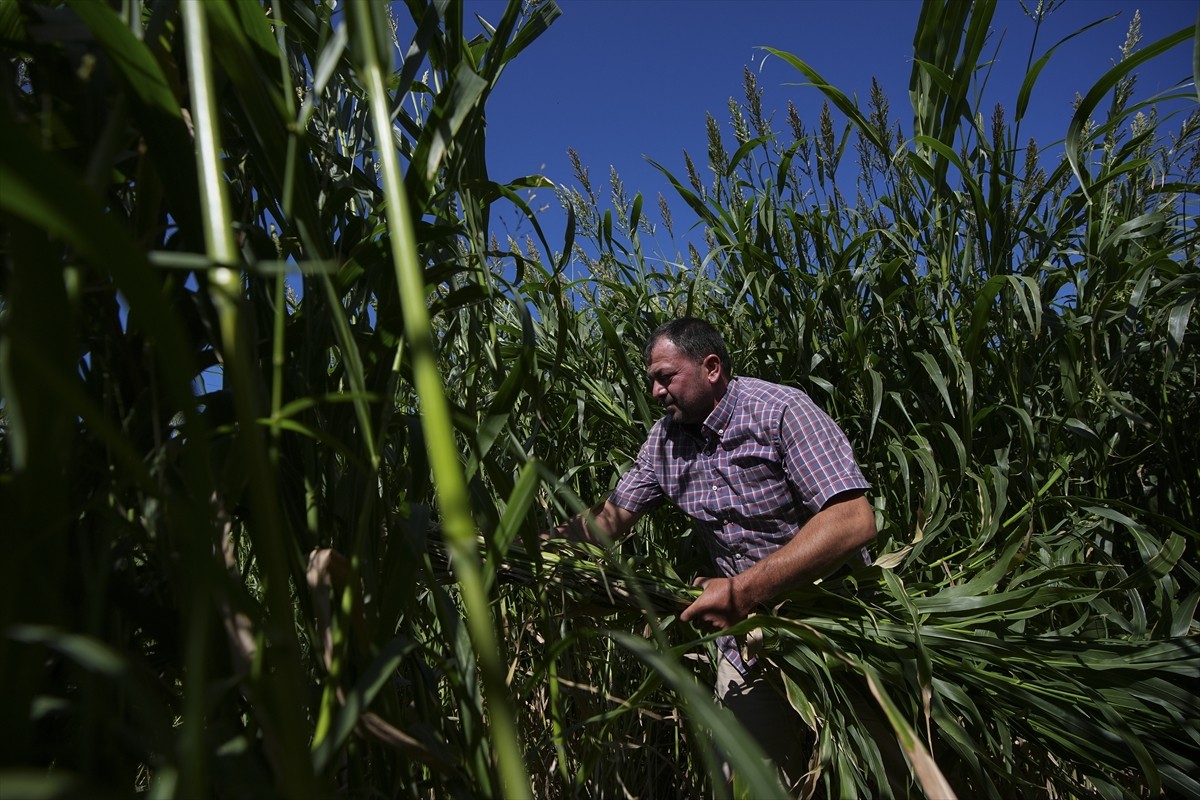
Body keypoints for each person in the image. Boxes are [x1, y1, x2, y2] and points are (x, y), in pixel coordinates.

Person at [548, 317, 877, 790]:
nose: (657, 393)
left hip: (838, 622)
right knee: (749, 779)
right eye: (652, 382)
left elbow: (853, 519)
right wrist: (520, 548)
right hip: (748, 636)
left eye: (666, 377)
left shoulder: (779, 411)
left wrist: (742, 590)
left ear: (712, 367)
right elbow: (608, 520)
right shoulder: (666, 443)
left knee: (871, 772)